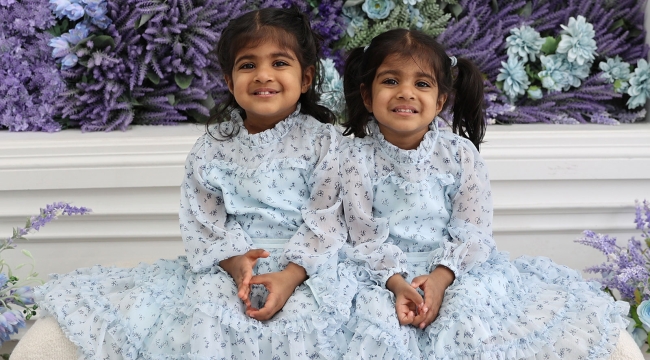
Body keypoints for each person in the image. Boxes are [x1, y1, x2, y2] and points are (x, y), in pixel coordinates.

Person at [14, 7, 353, 360]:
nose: (263, 75)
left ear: (306, 77)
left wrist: (291, 275)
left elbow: (327, 220)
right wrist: (236, 264)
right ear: (228, 80)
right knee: (205, 314)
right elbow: (203, 220)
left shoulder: (325, 144)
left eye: (279, 63)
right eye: (247, 65)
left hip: (307, 269)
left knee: (307, 323)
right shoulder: (214, 146)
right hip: (231, 266)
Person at [339, 28, 641, 360]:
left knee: (473, 313)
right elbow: (362, 234)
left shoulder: (459, 154)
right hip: (381, 275)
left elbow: (473, 230)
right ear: (367, 96)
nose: (406, 93)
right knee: (371, 325)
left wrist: (441, 278)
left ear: (440, 101)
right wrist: (395, 282)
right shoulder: (353, 158)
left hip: (454, 270)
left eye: (422, 84)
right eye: (391, 81)